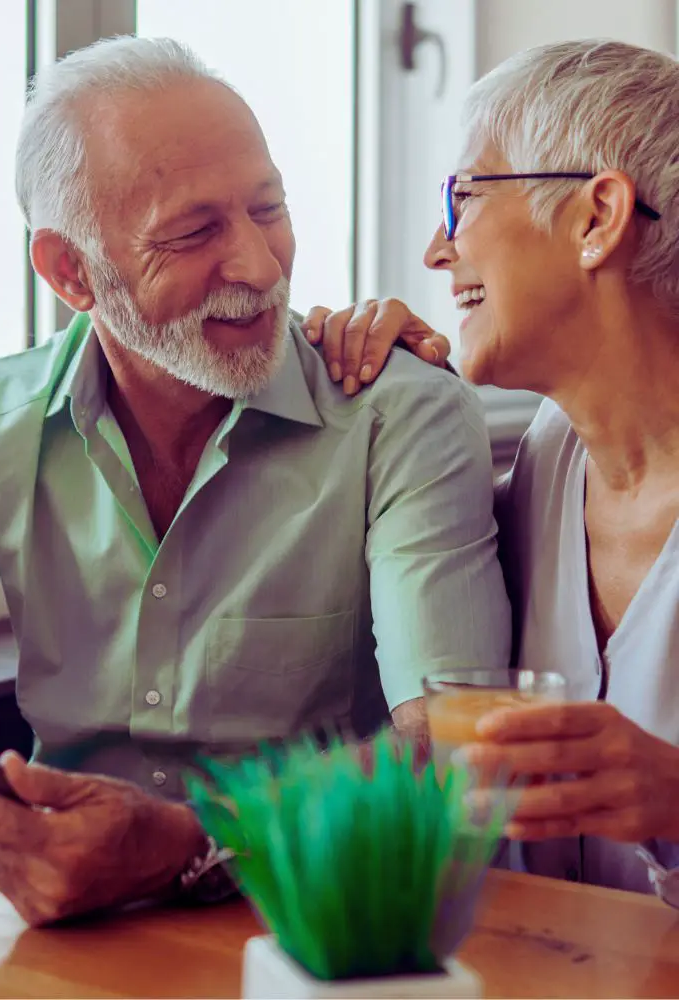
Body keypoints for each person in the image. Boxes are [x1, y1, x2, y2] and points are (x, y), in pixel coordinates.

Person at [0, 36, 509, 924]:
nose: (260, 266)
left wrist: (191, 847)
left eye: (269, 208)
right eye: (192, 232)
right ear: (71, 273)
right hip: (57, 921)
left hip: (314, 912)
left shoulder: (398, 416)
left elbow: (451, 743)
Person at [303, 39, 679, 904]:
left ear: (596, 219)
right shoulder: (553, 452)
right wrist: (375, 397)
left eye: (461, 198)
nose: (437, 251)